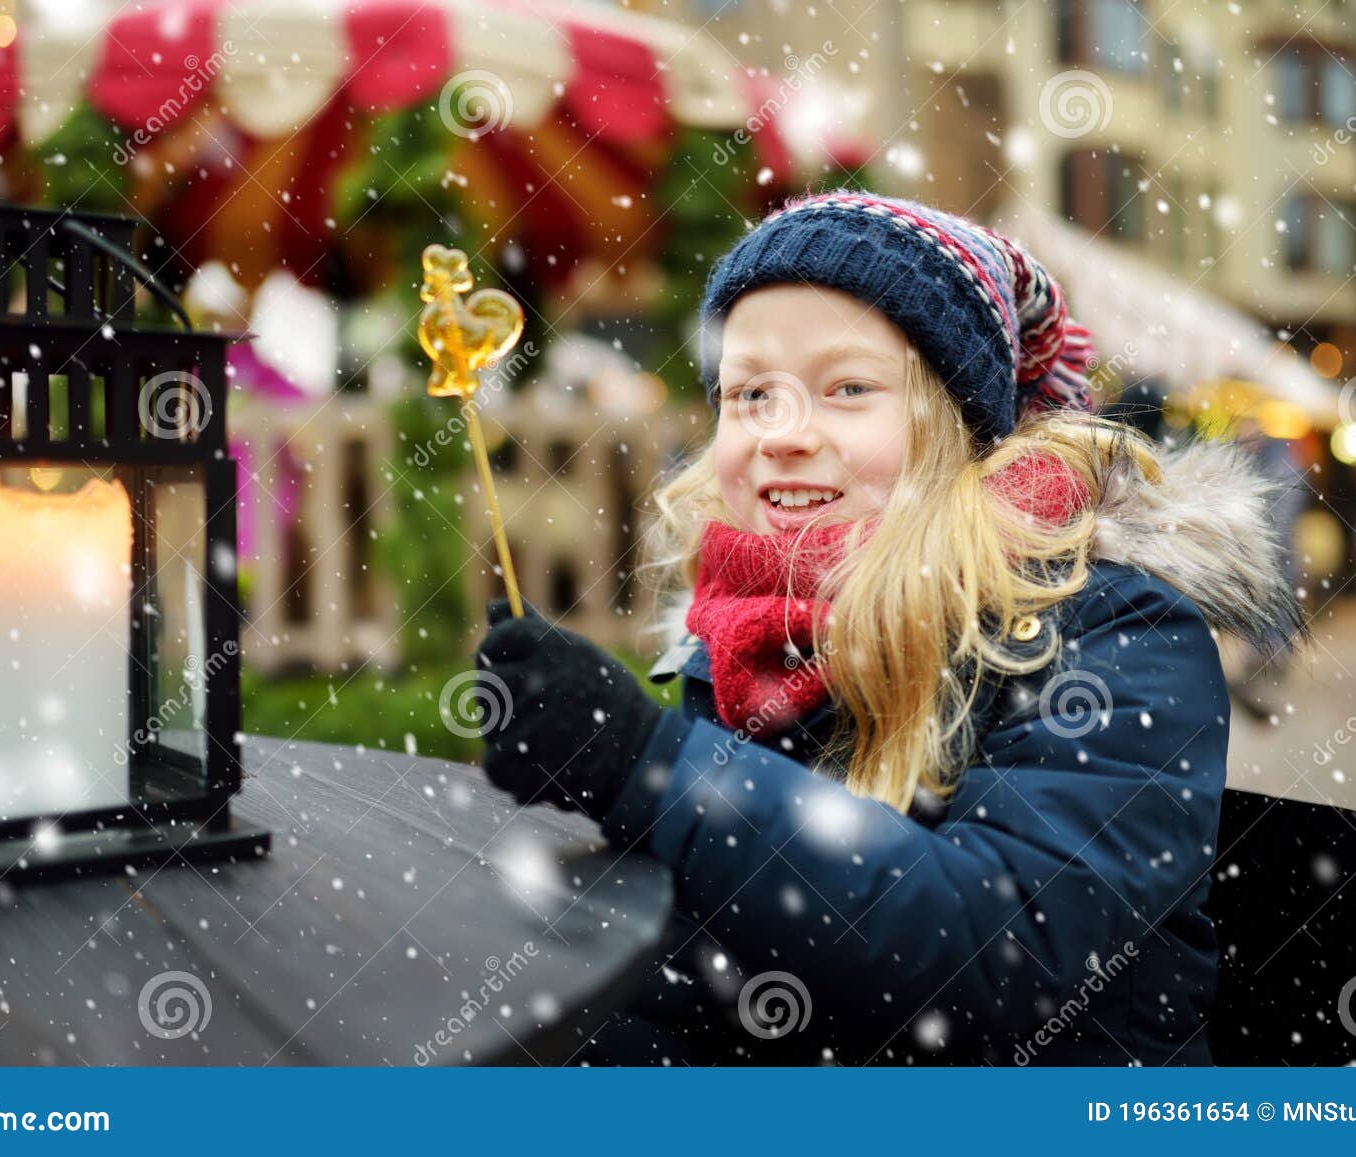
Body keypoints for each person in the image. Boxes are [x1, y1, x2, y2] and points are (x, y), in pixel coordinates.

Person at [471, 192, 1305, 1065]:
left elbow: (1002, 950)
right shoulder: (749, 626)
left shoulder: (1116, 628)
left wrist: (654, 766)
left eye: (849, 388)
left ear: (957, 424)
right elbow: (706, 961)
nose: (784, 434)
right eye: (751, 391)